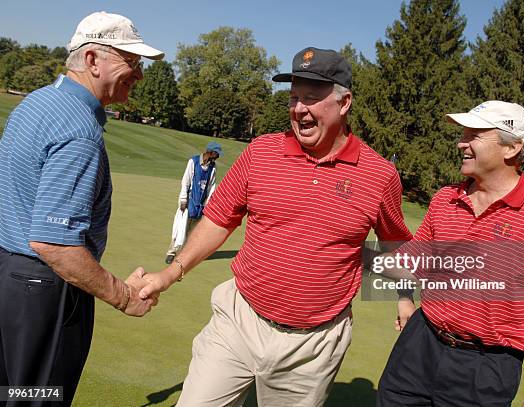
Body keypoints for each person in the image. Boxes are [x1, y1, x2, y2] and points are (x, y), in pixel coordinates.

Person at [139, 47, 413, 406]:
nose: (299, 109)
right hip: (239, 319)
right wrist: (170, 273)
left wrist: (405, 299)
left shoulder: (379, 175)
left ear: (344, 103)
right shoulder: (260, 152)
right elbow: (220, 219)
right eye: (294, 97)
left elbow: (394, 246)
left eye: (312, 98)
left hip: (313, 344)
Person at [377, 101, 524, 406]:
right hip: (419, 345)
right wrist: (400, 293)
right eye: (463, 133)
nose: (461, 142)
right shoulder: (445, 199)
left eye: (474, 134)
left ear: (511, 148)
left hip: (485, 369)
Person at [0, 11, 164, 405]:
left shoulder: (38, 101)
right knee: (38, 397)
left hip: (10, 278)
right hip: (44, 292)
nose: (138, 75)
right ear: (93, 61)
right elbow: (54, 244)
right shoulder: (78, 130)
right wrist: (124, 296)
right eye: (132, 62)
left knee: (12, 390)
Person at [165, 142, 223, 264]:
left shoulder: (213, 167)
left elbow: (211, 187)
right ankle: (171, 252)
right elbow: (185, 181)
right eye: (217, 154)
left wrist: (209, 204)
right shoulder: (193, 162)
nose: (218, 156)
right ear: (211, 152)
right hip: (189, 201)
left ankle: (186, 255)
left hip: (201, 203)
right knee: (180, 228)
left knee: (194, 231)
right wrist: (183, 199)